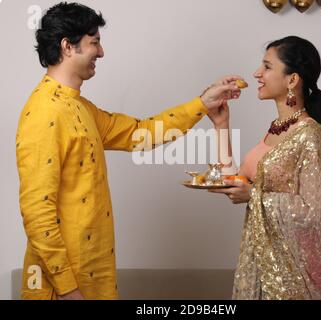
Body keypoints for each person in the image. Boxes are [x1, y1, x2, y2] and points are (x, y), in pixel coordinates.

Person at [16, 2, 242, 300]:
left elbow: (141, 133)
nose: (102, 52)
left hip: (93, 277)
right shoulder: (45, 112)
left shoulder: (79, 107)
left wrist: (203, 103)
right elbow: (37, 213)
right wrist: (68, 289)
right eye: (94, 42)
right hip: (64, 288)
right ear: (67, 46)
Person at [208, 36, 321, 300]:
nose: (257, 73)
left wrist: (254, 195)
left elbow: (315, 212)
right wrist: (222, 125)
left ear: (292, 80)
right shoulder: (275, 130)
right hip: (261, 261)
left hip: (293, 274)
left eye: (267, 67)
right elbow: (234, 180)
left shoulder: (310, 136)